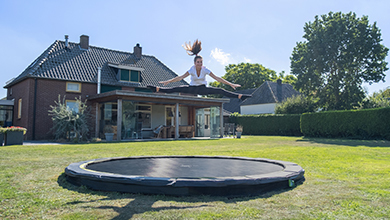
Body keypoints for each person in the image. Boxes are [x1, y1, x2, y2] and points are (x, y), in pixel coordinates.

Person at [148, 39, 251, 100]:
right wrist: (168, 81)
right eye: (198, 62)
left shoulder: (205, 69)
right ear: (194, 63)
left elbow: (217, 78)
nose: (200, 64)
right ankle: (158, 89)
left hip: (203, 89)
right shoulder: (192, 69)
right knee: (177, 88)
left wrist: (230, 84)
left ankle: (239, 96)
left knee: (220, 90)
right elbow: (180, 77)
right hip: (192, 88)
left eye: (201, 62)